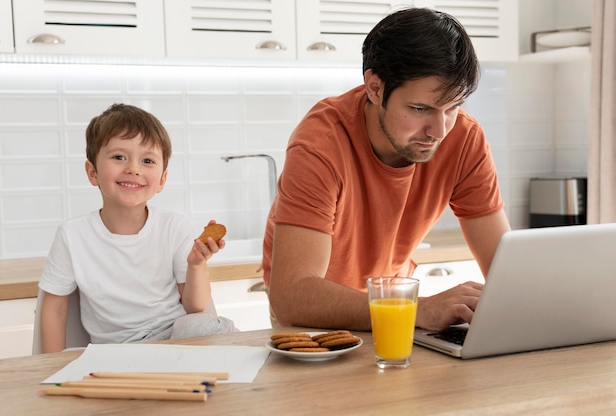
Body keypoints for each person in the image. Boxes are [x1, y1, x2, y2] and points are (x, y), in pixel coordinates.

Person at [261, 8, 511, 332]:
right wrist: (414, 310)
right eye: (420, 109)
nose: (439, 130)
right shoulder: (320, 145)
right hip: (314, 315)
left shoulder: (464, 138)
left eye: (453, 107)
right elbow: (294, 296)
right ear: (375, 89)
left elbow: (505, 270)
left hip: (392, 305)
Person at [39, 103, 235, 353]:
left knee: (200, 326)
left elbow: (195, 307)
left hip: (173, 338)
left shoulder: (174, 226)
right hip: (116, 351)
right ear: (92, 173)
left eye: (147, 160)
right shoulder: (73, 234)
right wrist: (49, 366)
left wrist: (197, 264)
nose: (133, 168)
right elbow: (54, 309)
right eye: (119, 157)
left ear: (162, 180)